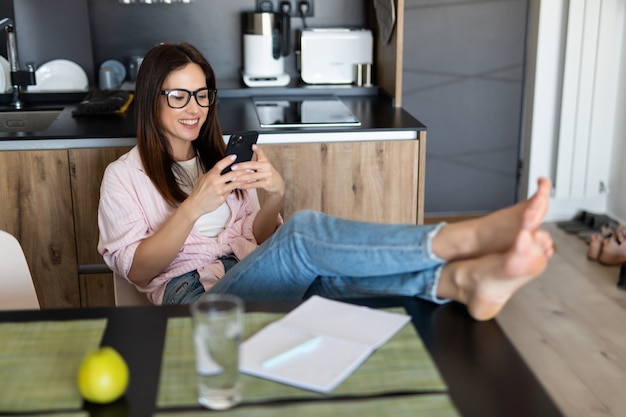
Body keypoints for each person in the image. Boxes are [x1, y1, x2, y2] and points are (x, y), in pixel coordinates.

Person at [98, 42, 554, 321]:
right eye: (177, 95)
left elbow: (256, 235)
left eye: (201, 94)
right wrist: (193, 207)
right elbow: (138, 270)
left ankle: (463, 281)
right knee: (302, 235)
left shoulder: (219, 159)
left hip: (248, 275)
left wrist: (274, 193)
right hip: (196, 305)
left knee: (336, 279)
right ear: (151, 100)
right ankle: (465, 237)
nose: (193, 107)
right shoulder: (123, 177)